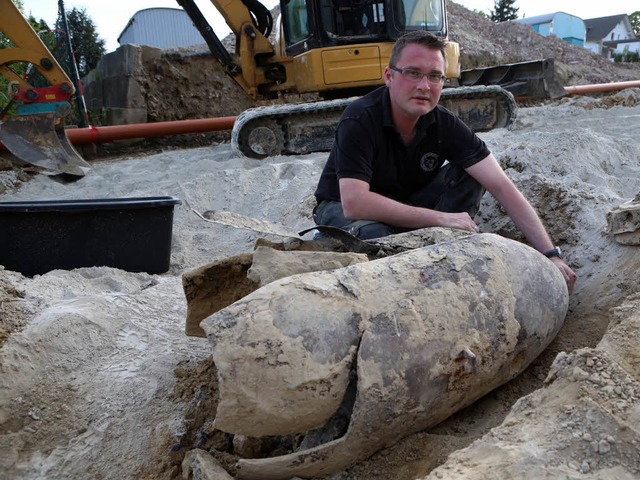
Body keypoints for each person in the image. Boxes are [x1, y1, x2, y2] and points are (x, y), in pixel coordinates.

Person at [313, 30, 577, 293]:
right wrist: (441, 218)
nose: (424, 86)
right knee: (377, 236)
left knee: (470, 174)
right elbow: (354, 203)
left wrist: (550, 253)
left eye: (435, 76)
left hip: (407, 205)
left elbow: (501, 185)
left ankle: (446, 247)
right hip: (342, 210)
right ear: (389, 76)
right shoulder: (360, 117)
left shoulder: (443, 123)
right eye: (413, 73)